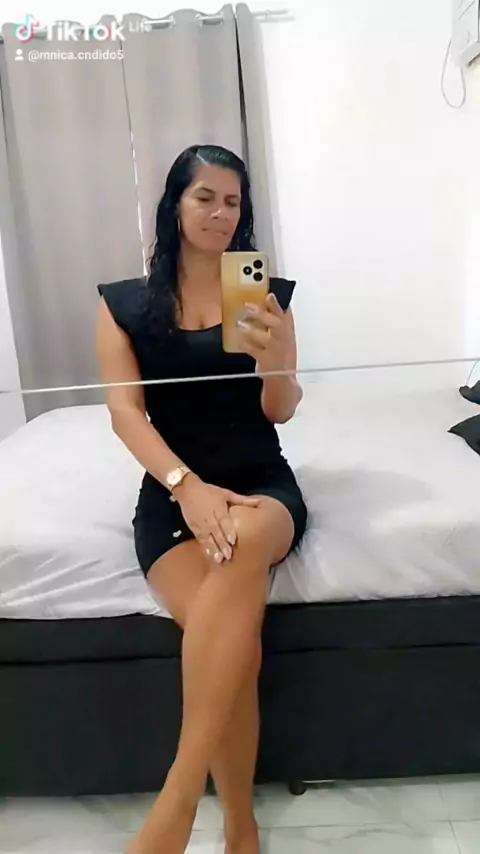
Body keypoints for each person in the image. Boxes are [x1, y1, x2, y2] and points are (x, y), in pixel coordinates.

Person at [96, 143, 307, 854]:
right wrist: (185, 489)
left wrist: (276, 363)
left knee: (241, 546)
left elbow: (280, 411)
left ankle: (178, 803)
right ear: (176, 204)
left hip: (261, 488)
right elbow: (125, 414)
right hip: (172, 497)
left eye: (233, 201)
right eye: (205, 197)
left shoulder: (260, 293)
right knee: (230, 647)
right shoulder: (126, 305)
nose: (221, 213)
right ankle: (241, 829)